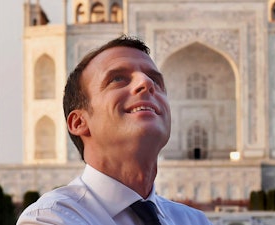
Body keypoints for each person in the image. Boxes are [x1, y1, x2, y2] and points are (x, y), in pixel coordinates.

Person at [17, 35, 213, 225]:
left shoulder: (193, 220)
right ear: (79, 122)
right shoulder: (51, 218)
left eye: (155, 80)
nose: (146, 83)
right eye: (118, 79)